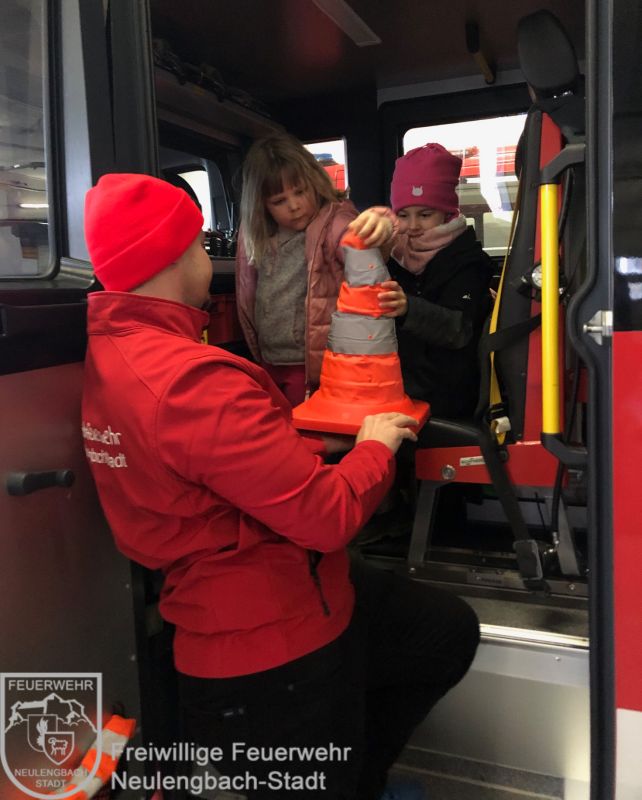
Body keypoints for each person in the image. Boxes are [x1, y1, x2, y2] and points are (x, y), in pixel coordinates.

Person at [82, 173, 480, 800]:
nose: (208, 259)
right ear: (175, 257)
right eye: (199, 245)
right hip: (272, 650)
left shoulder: (115, 352)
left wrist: (313, 449)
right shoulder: (190, 382)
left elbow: (216, 466)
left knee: (445, 631)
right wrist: (375, 447)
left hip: (291, 597)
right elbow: (326, 517)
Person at [236, 133, 396, 406]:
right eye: (279, 201)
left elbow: (358, 242)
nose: (294, 206)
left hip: (311, 365)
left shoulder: (333, 223)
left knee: (302, 426)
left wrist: (380, 224)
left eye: (300, 192)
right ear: (262, 205)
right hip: (269, 359)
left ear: (314, 183)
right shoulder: (255, 236)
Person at [377, 143, 494, 425]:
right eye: (403, 215)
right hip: (399, 388)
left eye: (425, 214)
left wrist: (408, 308)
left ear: (447, 213)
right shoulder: (393, 255)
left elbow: (459, 330)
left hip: (448, 396)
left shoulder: (468, 262)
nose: (413, 226)